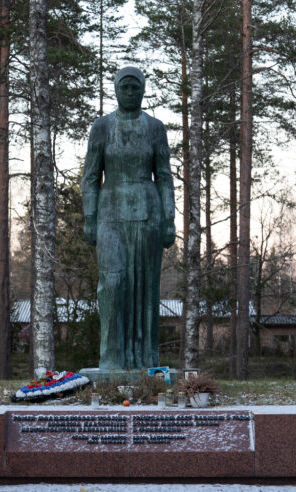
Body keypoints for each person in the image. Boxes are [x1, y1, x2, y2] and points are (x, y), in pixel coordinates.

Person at [81, 66, 175, 370]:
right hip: (110, 213)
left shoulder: (155, 128)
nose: (131, 93)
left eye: (136, 88)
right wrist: (90, 217)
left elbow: (164, 176)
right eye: (125, 88)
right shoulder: (102, 127)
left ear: (144, 90)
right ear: (116, 90)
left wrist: (170, 219)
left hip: (149, 215)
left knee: (146, 287)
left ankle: (146, 361)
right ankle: (111, 359)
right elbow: (91, 177)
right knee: (113, 282)